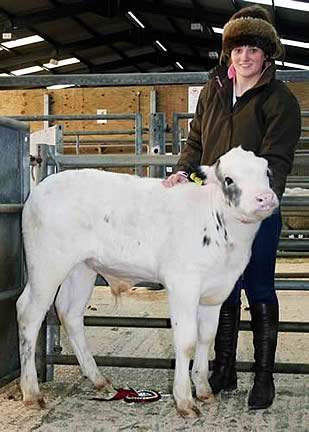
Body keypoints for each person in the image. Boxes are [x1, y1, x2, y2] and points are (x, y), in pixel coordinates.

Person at [163, 5, 301, 409]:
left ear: (267, 55)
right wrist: (184, 173)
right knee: (220, 289)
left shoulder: (280, 100)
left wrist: (254, 203)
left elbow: (278, 160)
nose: (244, 57)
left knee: (258, 286)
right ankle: (224, 367)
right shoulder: (213, 90)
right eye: (238, 48)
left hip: (255, 212)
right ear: (228, 53)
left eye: (253, 49)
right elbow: (195, 140)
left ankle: (263, 377)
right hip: (210, 211)